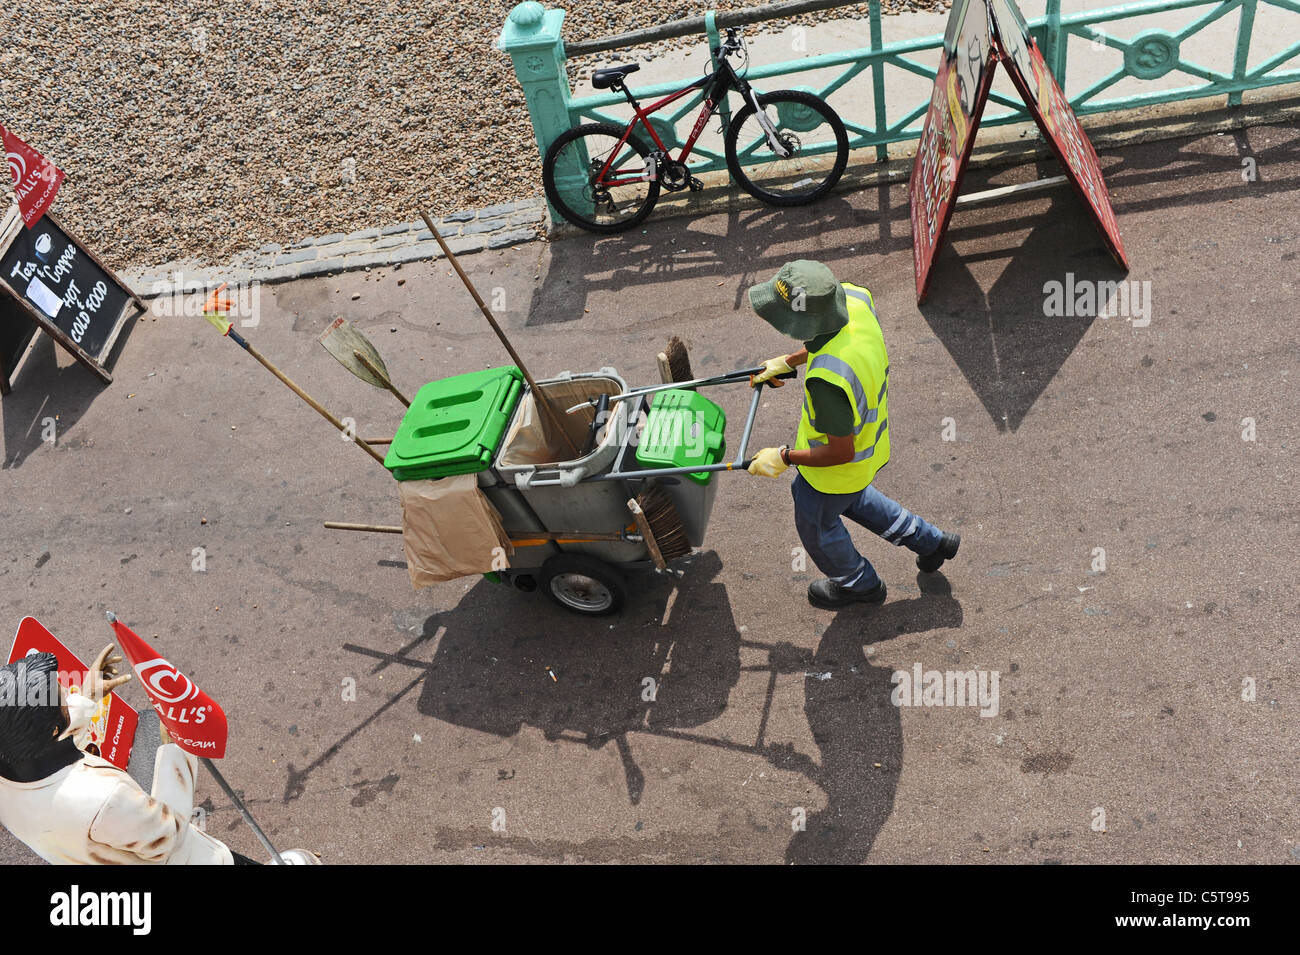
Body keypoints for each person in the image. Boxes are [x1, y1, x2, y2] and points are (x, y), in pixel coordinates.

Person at [745, 260, 960, 609]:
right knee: (856, 500)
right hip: (868, 450)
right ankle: (933, 542)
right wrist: (789, 361)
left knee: (815, 522)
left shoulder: (828, 382)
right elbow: (829, 335)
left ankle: (859, 584)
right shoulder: (854, 299)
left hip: (836, 468)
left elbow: (839, 452)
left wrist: (783, 456)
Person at [0, 646, 316, 864]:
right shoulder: (102, 797)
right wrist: (176, 748)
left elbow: (47, 746)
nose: (67, 696)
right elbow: (169, 835)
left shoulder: (11, 767)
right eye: (62, 699)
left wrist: (87, 697)